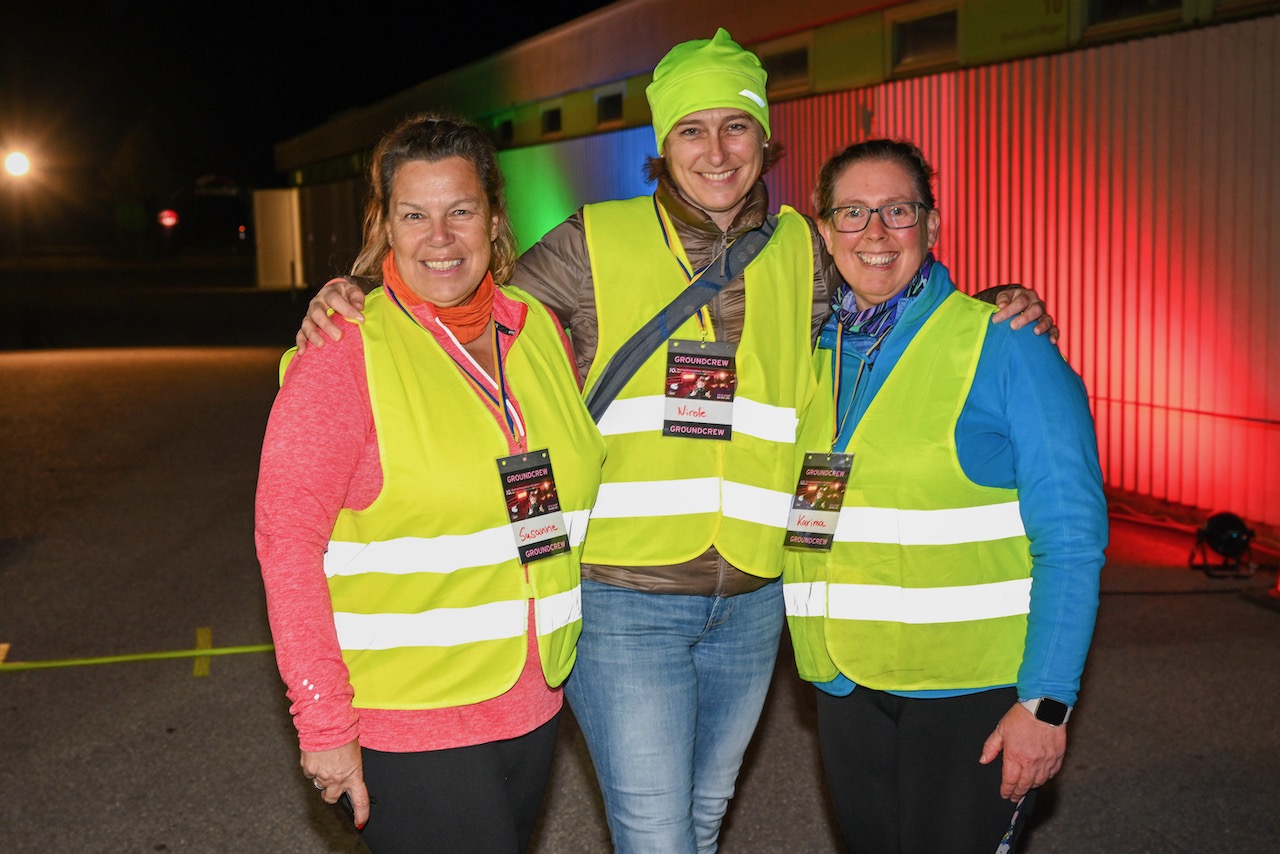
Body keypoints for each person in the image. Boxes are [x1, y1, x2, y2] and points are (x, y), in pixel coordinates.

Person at [295, 31, 1055, 854]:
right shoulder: (593, 243)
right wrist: (356, 295)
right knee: (660, 835)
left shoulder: (805, 249)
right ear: (662, 145)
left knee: (699, 818)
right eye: (692, 129)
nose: (717, 151)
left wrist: (993, 300)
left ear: (766, 141)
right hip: (628, 597)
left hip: (755, 597)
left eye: (737, 126)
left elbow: (894, 299)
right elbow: (457, 305)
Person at [254, 113, 605, 852]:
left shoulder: (536, 330)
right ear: (384, 224)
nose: (439, 237)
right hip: (410, 724)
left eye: (461, 211)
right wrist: (324, 724)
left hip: (533, 704)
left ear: (495, 219)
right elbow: (287, 546)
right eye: (415, 214)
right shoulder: (345, 350)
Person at [783, 139, 1107, 854]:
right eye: (853, 213)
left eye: (898, 210)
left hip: (973, 698)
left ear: (932, 226)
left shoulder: (1007, 344)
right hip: (842, 684)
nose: (874, 233)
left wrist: (1046, 704)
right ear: (824, 230)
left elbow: (1073, 534)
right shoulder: (808, 350)